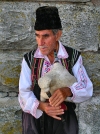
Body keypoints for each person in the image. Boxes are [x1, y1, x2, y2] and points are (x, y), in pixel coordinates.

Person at [18, 6, 93, 134]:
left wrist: (67, 91)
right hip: (35, 120)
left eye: (45, 36)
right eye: (37, 36)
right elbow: (23, 92)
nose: (40, 42)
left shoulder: (72, 56)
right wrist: (42, 106)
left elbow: (87, 88)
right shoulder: (29, 59)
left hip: (64, 121)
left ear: (57, 34)